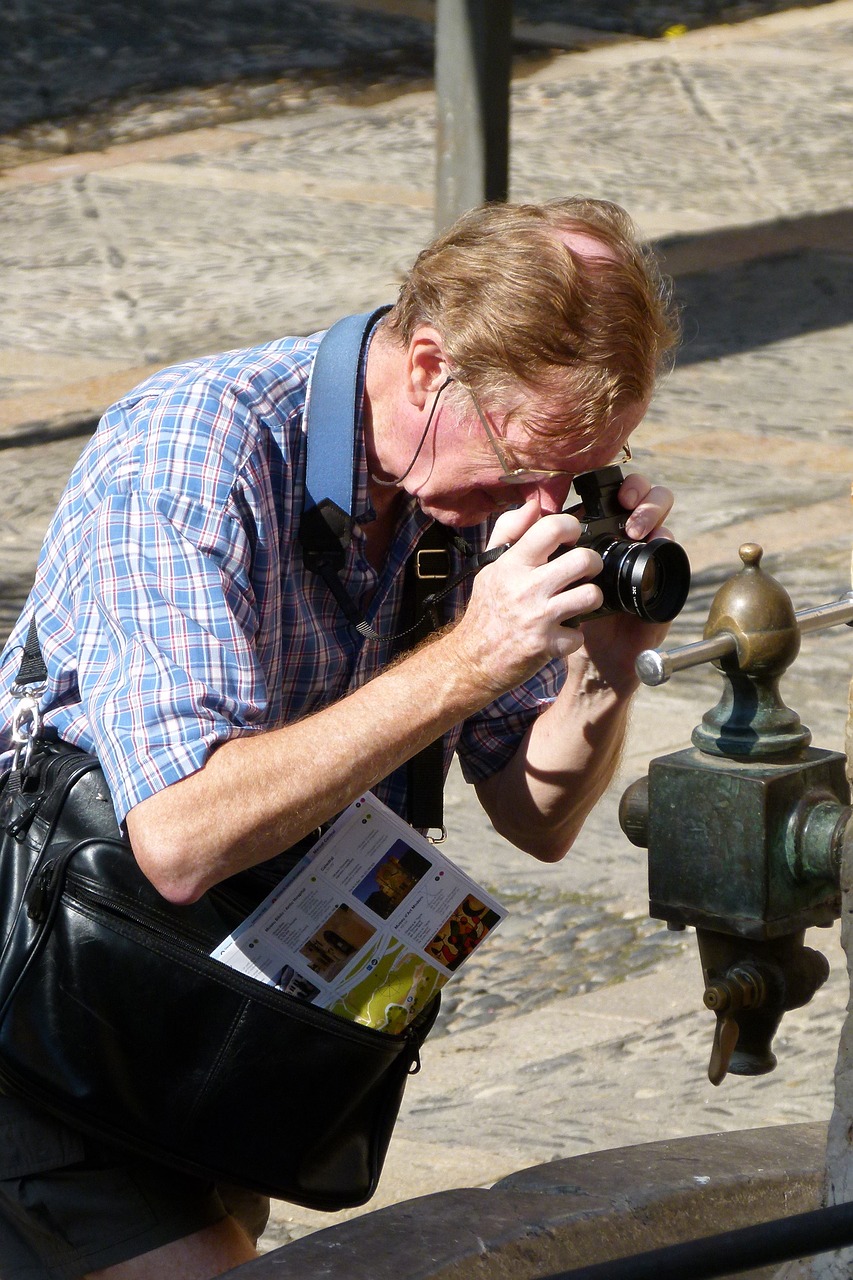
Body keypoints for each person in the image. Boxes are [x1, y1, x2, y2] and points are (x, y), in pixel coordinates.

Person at [0, 196, 680, 1279]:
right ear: (426, 367)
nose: (541, 504)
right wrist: (467, 657)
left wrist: (602, 662)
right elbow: (179, 836)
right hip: (47, 1007)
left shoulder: (457, 498)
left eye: (582, 473)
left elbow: (537, 817)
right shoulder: (193, 453)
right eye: (526, 461)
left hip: (206, 1025)